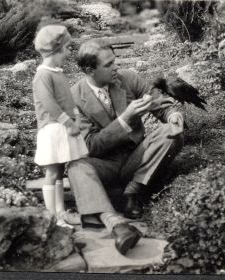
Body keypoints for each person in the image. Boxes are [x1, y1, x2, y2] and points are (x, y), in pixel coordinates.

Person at [67, 40, 184, 255]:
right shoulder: (74, 98)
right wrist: (124, 119)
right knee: (75, 166)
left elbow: (158, 101)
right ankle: (116, 224)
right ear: (89, 70)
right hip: (104, 165)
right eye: (108, 64)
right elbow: (90, 146)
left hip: (137, 158)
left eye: (115, 61)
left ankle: (133, 192)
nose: (115, 67)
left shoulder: (128, 78)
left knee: (171, 132)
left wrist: (172, 114)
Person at [32, 25, 88, 229]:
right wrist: (68, 123)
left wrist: (76, 117)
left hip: (64, 127)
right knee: (52, 172)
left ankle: (60, 212)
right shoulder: (43, 75)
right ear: (57, 49)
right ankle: (52, 216)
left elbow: (68, 100)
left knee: (59, 170)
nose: (69, 51)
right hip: (53, 129)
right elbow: (49, 104)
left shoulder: (57, 72)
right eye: (67, 47)